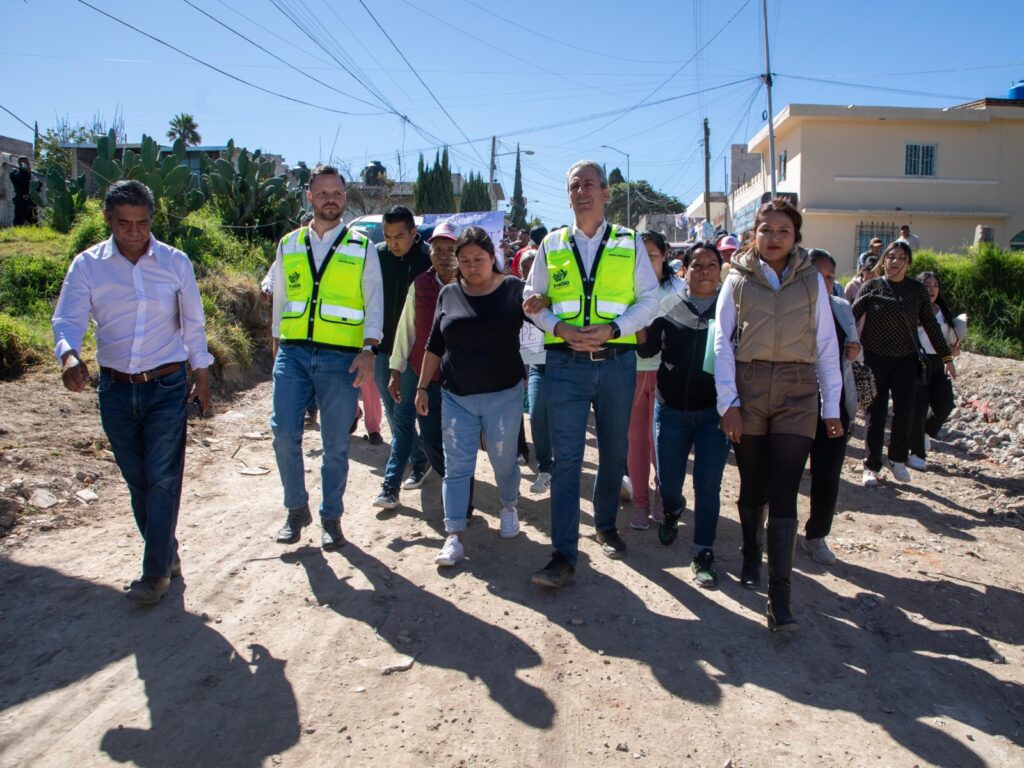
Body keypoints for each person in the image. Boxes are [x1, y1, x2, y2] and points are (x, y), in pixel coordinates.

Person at [52, 180, 213, 605]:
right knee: (137, 480)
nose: (135, 233)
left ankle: (154, 574)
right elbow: (66, 321)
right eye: (124, 224)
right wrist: (69, 356)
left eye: (142, 224)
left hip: (166, 383)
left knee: (162, 478)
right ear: (108, 220)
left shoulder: (175, 263)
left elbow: (192, 325)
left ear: (151, 221)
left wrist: (203, 374)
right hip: (115, 389)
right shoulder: (88, 266)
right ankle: (168, 553)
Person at [523, 160, 659, 588]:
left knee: (613, 451)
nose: (581, 191)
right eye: (574, 185)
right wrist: (559, 328)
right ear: (568, 195)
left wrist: (615, 329)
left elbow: (649, 300)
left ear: (605, 193)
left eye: (589, 185)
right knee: (567, 460)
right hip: (564, 364)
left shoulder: (629, 241)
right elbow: (531, 296)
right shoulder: (551, 243)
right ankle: (563, 553)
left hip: (617, 362)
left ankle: (604, 524)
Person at [714, 198, 843, 631]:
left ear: (796, 236)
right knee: (753, 482)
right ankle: (751, 552)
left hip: (797, 390)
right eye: (765, 229)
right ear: (754, 233)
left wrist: (831, 404)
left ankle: (779, 595)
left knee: (785, 488)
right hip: (748, 388)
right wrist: (728, 402)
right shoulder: (736, 278)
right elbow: (721, 343)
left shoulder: (812, 281)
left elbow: (827, 343)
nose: (773, 238)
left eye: (783, 231)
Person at [269, 165, 381, 550]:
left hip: (340, 359)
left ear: (344, 198)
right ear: (309, 197)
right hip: (293, 353)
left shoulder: (361, 247)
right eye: (322, 193)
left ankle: (331, 516)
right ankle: (295, 507)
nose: (330, 199)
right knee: (284, 433)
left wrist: (369, 349)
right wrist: (275, 342)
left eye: (336, 193)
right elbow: (281, 298)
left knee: (335, 444)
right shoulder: (289, 244)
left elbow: (374, 302)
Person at [415, 227, 526, 566]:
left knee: (503, 461)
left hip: (503, 395)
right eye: (464, 261)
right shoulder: (448, 293)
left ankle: (509, 506)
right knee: (457, 467)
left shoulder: (514, 290)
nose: (472, 266)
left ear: (493, 258)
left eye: (479, 259)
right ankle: (454, 535)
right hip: (456, 396)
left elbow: (543, 322)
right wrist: (421, 386)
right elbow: (435, 344)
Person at [636, 242, 729, 586]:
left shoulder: (731, 310)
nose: (704, 271)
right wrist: (638, 322)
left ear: (720, 271)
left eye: (711, 266)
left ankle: (703, 551)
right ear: (683, 271)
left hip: (713, 415)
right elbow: (647, 349)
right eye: (697, 266)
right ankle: (673, 511)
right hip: (671, 411)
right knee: (670, 482)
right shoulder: (668, 307)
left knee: (708, 485)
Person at [388, 218, 472, 514]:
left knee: (459, 439)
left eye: (450, 249)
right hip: (425, 376)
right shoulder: (420, 284)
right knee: (430, 437)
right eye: (437, 249)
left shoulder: (471, 285)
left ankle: (463, 498)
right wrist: (396, 369)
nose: (443, 255)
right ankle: (450, 480)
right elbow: (406, 329)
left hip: (461, 379)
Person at [853, 241, 954, 486]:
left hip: (906, 361)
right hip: (875, 360)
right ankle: (871, 465)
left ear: (908, 264)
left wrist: (946, 357)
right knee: (874, 414)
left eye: (901, 258)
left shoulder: (916, 291)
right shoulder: (871, 286)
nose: (895, 261)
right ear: (884, 260)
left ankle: (897, 459)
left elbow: (931, 326)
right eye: (890, 256)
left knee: (905, 412)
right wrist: (844, 344)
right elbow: (850, 317)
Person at [373, 206, 434, 510]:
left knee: (403, 413)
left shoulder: (427, 260)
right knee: (393, 412)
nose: (393, 242)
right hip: (381, 348)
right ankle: (420, 457)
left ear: (414, 233)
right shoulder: (376, 257)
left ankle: (411, 469)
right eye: (387, 236)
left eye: (400, 236)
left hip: (412, 352)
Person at [804, 249, 861, 566]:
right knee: (784, 473)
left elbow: (853, 358)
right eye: (818, 275)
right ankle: (776, 531)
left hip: (835, 408)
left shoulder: (841, 308)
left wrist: (854, 351)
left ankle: (816, 537)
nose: (825, 282)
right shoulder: (792, 308)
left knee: (827, 477)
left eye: (830, 276)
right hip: (796, 404)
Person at [627, 230, 685, 531]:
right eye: (641, 255)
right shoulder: (625, 288)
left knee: (660, 442)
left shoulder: (679, 289)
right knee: (636, 441)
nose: (646, 261)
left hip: (667, 375)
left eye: (652, 255)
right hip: (631, 371)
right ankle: (640, 502)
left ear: (665, 255)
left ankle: (664, 495)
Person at [908, 271, 961, 470]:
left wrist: (953, 351)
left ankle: (925, 434)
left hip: (939, 363)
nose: (931, 289)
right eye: (926, 285)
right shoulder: (913, 310)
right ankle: (916, 455)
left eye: (935, 285)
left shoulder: (944, 312)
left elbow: (948, 339)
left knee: (945, 404)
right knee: (919, 409)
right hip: (917, 363)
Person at [518, 250, 553, 494]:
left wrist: (549, 300)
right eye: (525, 268)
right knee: (537, 415)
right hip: (537, 366)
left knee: (563, 421)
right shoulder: (517, 295)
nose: (530, 273)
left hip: (567, 364)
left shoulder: (558, 294)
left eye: (534, 267)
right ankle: (545, 468)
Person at [9, 156, 38, 226]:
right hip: (21, 201)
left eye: (28, 163)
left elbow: (38, 185)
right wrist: (27, 171)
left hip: (31, 201)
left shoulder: (31, 175)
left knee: (34, 222)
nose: (28, 165)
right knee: (19, 222)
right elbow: (24, 181)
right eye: (26, 163)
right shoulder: (16, 174)